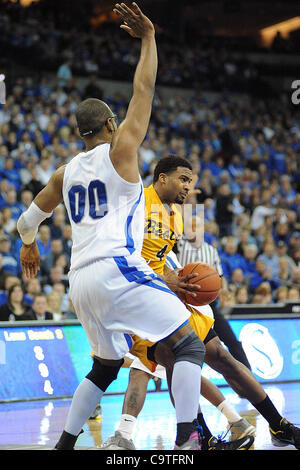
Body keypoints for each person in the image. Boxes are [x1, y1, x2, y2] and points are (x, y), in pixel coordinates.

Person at [17, 3, 208, 451]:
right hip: (118, 268)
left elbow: (29, 219)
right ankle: (188, 442)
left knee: (104, 366)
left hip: (79, 282)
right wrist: (149, 38)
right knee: (188, 347)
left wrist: (29, 245)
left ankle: (64, 446)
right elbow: (144, 87)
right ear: (109, 124)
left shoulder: (64, 172)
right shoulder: (122, 148)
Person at [101, 157, 255, 451]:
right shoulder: (145, 210)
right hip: (169, 293)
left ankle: (126, 435)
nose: (186, 188)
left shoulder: (175, 222)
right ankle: (234, 422)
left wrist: (190, 206)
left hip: (178, 295)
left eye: (189, 183)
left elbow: (181, 248)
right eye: (182, 181)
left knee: (151, 365)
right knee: (182, 367)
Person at [177, 215, 252, 370]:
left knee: (231, 340)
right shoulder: (178, 245)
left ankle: (250, 377)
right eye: (190, 226)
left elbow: (218, 276)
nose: (194, 229)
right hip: (182, 302)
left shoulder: (211, 250)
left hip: (207, 303)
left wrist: (223, 289)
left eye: (197, 226)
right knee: (183, 345)